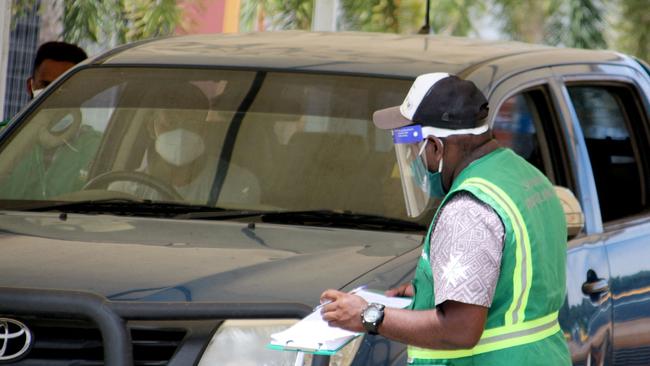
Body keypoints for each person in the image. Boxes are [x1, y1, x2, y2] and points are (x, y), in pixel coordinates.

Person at [320, 73, 570, 365]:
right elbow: (517, 281)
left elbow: (460, 329)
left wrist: (368, 315)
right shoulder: (525, 177)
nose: (414, 162)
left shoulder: (468, 206)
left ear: (437, 147)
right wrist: (431, 291)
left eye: (415, 149)